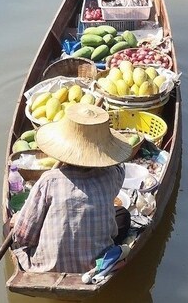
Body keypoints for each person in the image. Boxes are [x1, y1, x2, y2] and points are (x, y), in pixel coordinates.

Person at [10, 104, 135, 273]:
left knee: (9, 227)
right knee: (122, 215)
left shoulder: (49, 180)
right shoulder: (112, 176)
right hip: (92, 264)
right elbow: (119, 168)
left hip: (46, 266)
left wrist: (16, 221)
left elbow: (23, 237)